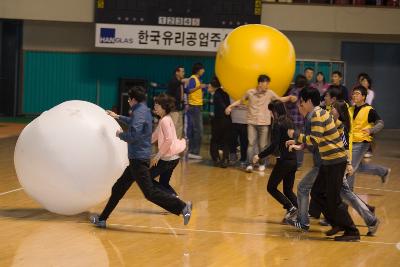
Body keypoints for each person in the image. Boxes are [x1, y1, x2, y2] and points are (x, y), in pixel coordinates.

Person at [89, 86, 192, 228]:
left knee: (149, 192)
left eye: (129, 100)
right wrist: (117, 116)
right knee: (118, 188)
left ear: (132, 100)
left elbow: (134, 135)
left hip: (138, 159)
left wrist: (120, 135)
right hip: (137, 159)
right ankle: (102, 219)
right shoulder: (143, 111)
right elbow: (139, 127)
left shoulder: (141, 113)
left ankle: (182, 207)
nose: (128, 102)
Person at [287, 87, 360, 242]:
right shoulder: (319, 113)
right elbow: (336, 128)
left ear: (307, 101)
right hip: (329, 162)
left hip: (335, 162)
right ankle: (336, 224)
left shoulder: (317, 115)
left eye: (301, 101)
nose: (300, 105)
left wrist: (295, 135)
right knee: (318, 194)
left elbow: (315, 140)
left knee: (333, 198)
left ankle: (352, 231)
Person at [225, 74, 297, 173]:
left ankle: (262, 163)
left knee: (262, 145)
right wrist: (230, 107)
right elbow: (241, 101)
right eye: (266, 83)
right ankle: (249, 164)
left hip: (264, 123)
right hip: (252, 123)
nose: (267, 86)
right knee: (251, 144)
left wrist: (289, 97)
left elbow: (279, 99)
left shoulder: (270, 93)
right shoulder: (250, 92)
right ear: (260, 83)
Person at [253, 100, 298, 222]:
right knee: (288, 190)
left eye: (271, 112)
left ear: (275, 111)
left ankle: (290, 208)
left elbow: (274, 145)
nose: (271, 114)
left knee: (271, 187)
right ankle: (301, 211)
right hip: (293, 160)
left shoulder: (278, 124)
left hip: (284, 161)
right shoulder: (290, 121)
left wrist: (259, 155)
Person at [347, 86, 391, 189]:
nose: (354, 95)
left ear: (363, 96)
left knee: (351, 168)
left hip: (362, 142)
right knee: (358, 167)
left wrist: (371, 130)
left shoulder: (369, 110)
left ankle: (348, 194)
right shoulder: (350, 109)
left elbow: (380, 123)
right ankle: (383, 171)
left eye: (357, 93)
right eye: (353, 93)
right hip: (351, 142)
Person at [150, 93, 187, 196]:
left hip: (168, 159)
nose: (155, 107)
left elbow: (169, 140)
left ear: (164, 108)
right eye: (155, 105)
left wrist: (157, 156)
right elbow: (155, 136)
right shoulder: (165, 119)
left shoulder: (165, 121)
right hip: (172, 158)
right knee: (163, 183)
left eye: (157, 105)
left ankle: (174, 202)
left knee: (147, 179)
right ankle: (177, 202)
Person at [208, 77, 232, 168]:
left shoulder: (216, 95)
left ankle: (216, 158)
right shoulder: (225, 92)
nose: (208, 86)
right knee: (226, 140)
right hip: (227, 120)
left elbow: (221, 107)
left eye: (210, 85)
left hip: (218, 120)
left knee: (214, 140)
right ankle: (225, 159)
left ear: (214, 86)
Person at [185, 63, 208, 160]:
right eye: (202, 69)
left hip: (197, 106)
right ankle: (193, 151)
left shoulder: (197, 79)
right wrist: (200, 87)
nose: (204, 71)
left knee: (197, 130)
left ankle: (193, 151)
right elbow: (188, 90)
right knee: (197, 130)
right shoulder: (193, 78)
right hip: (194, 107)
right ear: (198, 70)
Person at [286, 74, 307, 168]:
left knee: (291, 141)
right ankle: (298, 163)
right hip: (302, 121)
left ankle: (291, 161)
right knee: (300, 142)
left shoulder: (292, 91)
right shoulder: (305, 93)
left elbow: (288, 105)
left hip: (293, 120)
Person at [167, 66, 187, 139]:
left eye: (184, 71)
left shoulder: (181, 82)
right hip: (173, 108)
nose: (184, 73)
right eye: (182, 71)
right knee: (173, 126)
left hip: (180, 107)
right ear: (177, 72)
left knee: (180, 127)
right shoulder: (173, 81)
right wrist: (183, 81)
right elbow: (176, 83)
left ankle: (177, 143)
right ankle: (171, 143)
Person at [230, 100, 249, 166]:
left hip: (246, 121)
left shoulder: (249, 93)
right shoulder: (232, 92)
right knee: (232, 140)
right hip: (233, 120)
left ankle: (243, 158)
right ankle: (233, 156)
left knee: (244, 141)